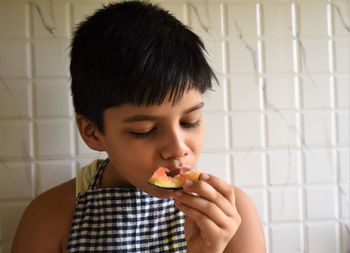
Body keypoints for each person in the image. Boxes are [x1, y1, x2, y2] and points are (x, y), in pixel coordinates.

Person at [12, 1, 266, 252]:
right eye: (144, 130)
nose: (178, 149)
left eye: (190, 122)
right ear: (93, 132)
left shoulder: (234, 218)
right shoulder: (48, 218)